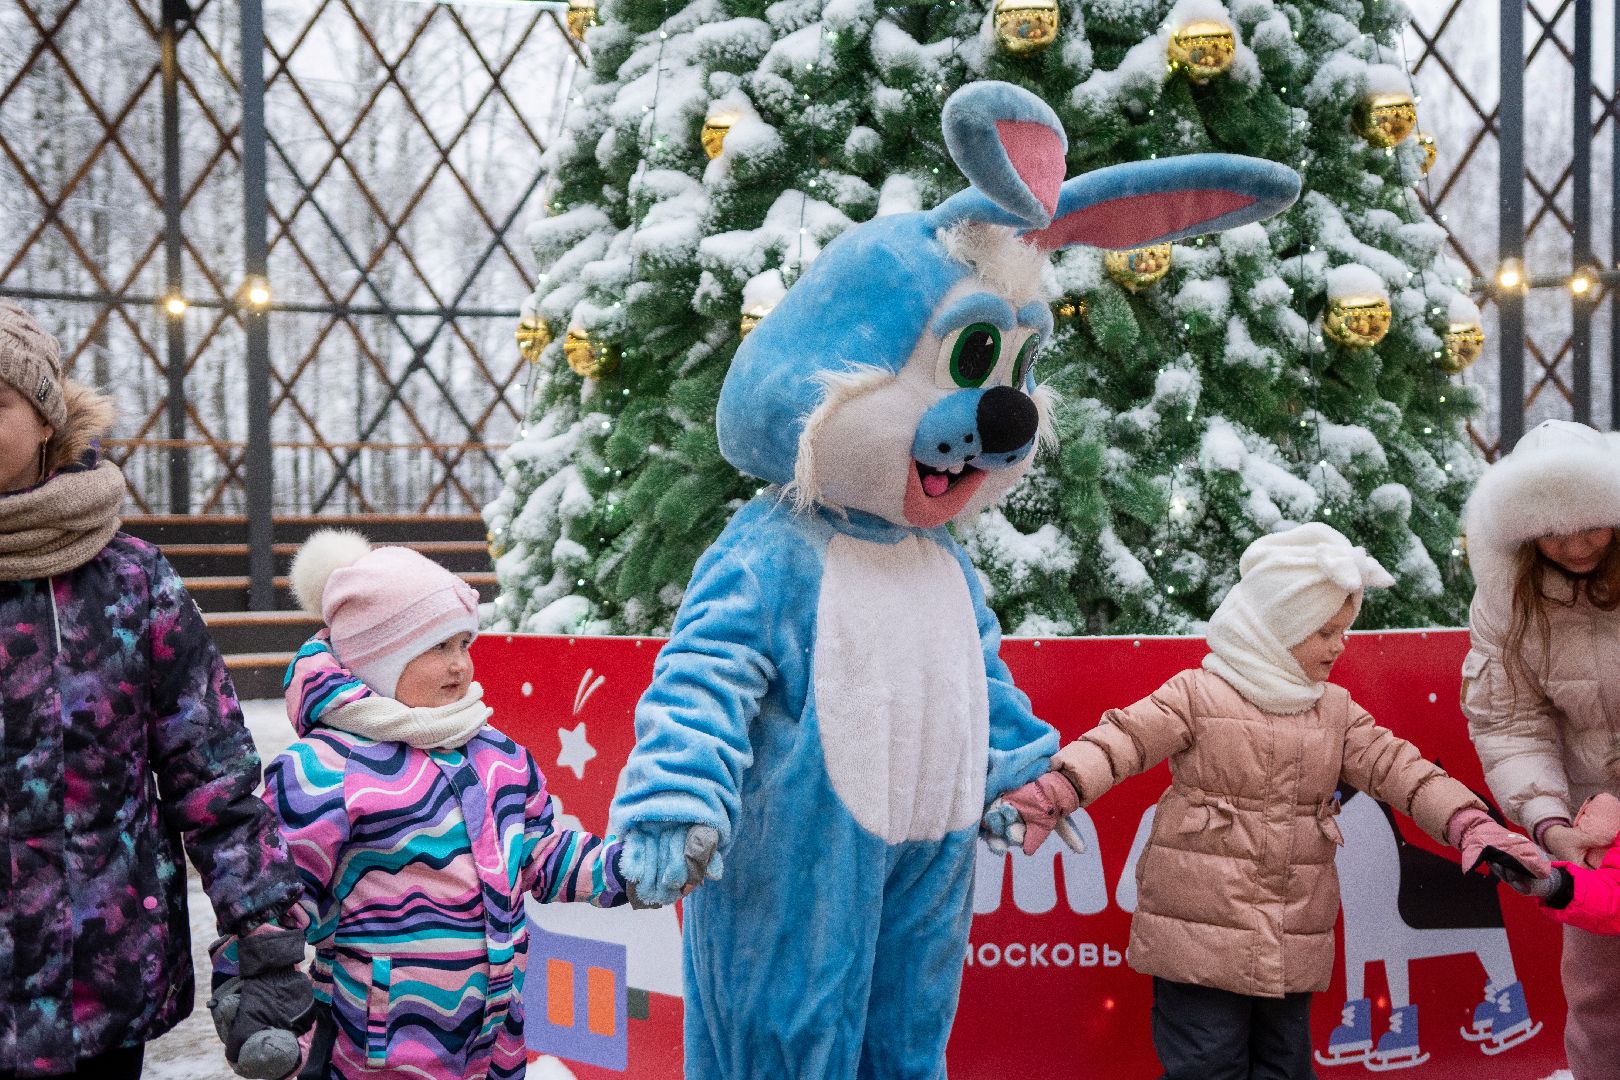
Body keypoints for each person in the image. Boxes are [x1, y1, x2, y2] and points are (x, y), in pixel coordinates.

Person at [993, 522, 1544, 1080]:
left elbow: (1402, 770)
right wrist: (1057, 788)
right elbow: (1122, 741)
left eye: (1343, 630)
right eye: (1324, 631)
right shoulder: (1198, 694)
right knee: (1207, 1064)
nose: (1339, 645)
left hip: (1289, 932)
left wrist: (1469, 822)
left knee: (1285, 1067)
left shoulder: (1334, 711)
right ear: (1278, 627)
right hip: (1198, 932)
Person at [0, 299, 311, 1080]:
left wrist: (264, 939)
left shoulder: (132, 581)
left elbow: (212, 773)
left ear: (45, 419)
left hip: (99, 989)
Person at [230, 529, 630, 1080]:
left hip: (495, 1043)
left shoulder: (498, 756)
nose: (459, 666)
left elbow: (540, 852)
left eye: (463, 643)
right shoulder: (323, 772)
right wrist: (255, 1004)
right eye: (436, 647)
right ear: (377, 659)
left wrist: (627, 867)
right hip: (377, 1050)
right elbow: (267, 896)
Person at [1460, 417, 1620, 1078]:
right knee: (1598, 996)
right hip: (1591, 829)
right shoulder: (1506, 600)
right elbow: (1510, 722)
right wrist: (1551, 822)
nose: (1574, 544)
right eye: (1551, 531)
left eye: (1590, 523)